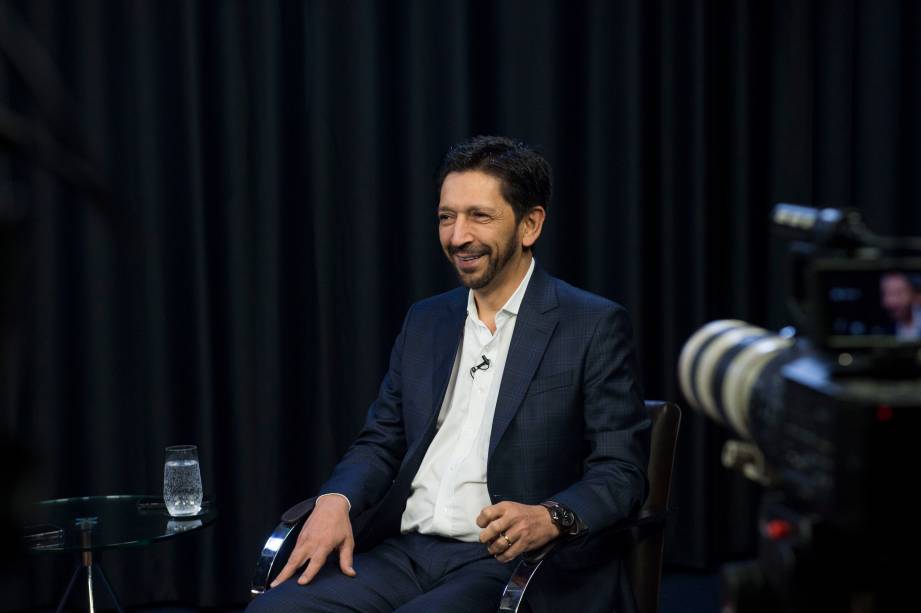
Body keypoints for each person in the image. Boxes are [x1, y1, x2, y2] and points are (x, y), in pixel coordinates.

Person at [247, 135, 650, 613]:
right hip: (406, 554)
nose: (458, 236)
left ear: (529, 224)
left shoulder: (591, 324)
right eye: (446, 217)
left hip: (512, 563)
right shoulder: (427, 321)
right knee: (276, 610)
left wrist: (552, 516)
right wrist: (337, 499)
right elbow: (382, 439)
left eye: (480, 216)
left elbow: (621, 470)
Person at [879, 272, 921, 340]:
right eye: (887, 294)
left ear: (913, 294)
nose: (892, 301)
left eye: (899, 293)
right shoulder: (881, 331)